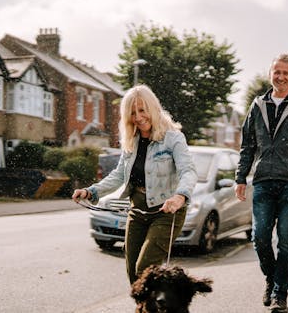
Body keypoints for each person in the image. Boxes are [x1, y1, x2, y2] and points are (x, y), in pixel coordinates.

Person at [72, 84, 197, 285]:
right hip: (137, 210)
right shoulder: (132, 140)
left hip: (167, 211)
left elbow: (188, 171)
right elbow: (119, 174)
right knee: (133, 275)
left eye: (142, 110)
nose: (138, 117)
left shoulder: (173, 138)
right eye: (132, 113)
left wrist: (180, 196)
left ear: (153, 108)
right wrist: (91, 191)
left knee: (145, 270)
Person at [235, 54, 288, 312]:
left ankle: (279, 294)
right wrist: (240, 177)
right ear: (270, 73)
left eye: (286, 72)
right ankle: (272, 279)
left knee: (285, 239)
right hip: (262, 182)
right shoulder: (257, 105)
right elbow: (247, 145)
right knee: (260, 238)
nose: (281, 77)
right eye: (277, 72)